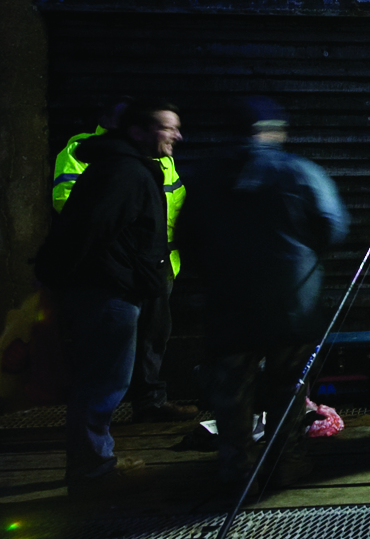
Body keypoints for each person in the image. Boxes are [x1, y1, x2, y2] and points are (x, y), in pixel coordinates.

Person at [178, 96, 349, 492]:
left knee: (232, 389)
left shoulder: (204, 175)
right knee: (288, 386)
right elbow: (333, 227)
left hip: (228, 302)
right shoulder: (301, 171)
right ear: (272, 131)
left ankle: (238, 470)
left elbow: (185, 237)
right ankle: (285, 464)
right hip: (293, 301)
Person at [32, 96, 181, 491]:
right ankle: (93, 470)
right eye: (167, 127)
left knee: (102, 380)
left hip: (110, 287)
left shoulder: (123, 167)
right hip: (107, 292)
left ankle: (94, 462)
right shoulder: (125, 173)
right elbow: (90, 231)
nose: (176, 135)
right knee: (103, 382)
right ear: (137, 132)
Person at [51, 97, 188, 416]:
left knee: (153, 337)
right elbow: (71, 205)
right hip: (120, 270)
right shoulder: (85, 152)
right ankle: (96, 448)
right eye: (167, 128)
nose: (175, 136)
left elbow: (176, 201)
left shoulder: (155, 156)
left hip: (158, 265)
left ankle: (149, 402)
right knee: (108, 359)